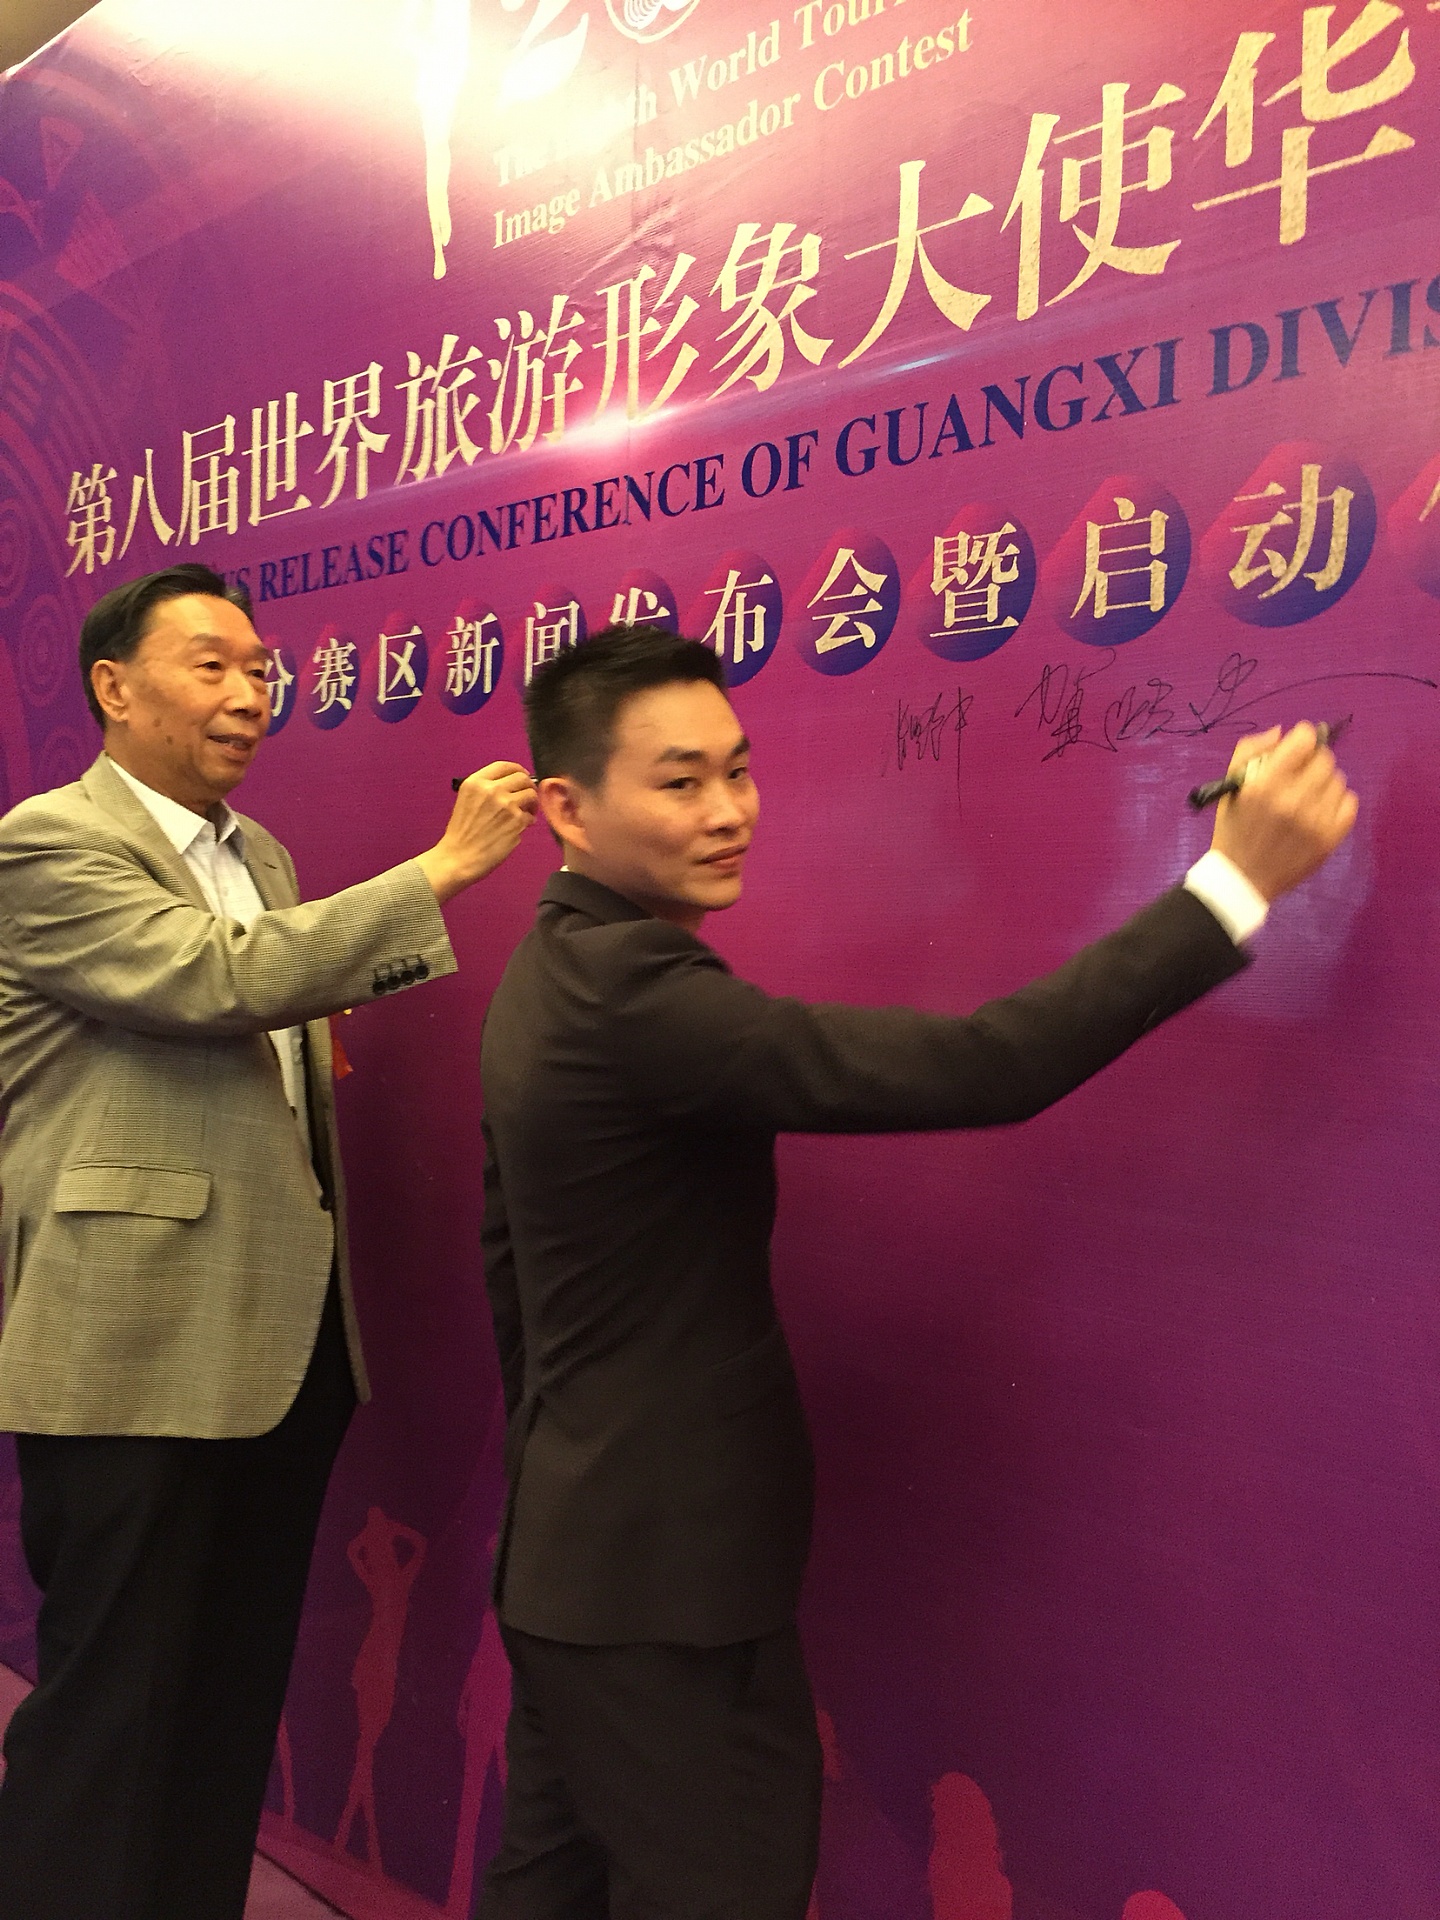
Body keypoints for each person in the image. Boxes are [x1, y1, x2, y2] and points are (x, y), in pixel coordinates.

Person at [474, 623, 1357, 1920]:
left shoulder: (554, 967)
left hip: (583, 1569)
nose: (728, 812)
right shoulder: (628, 992)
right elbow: (987, 1065)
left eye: (739, 769)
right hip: (662, 1598)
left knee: (549, 1892)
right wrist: (1230, 885)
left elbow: (513, 1275)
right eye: (680, 782)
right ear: (566, 806)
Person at [0, 562, 537, 1920]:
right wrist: (441, 870)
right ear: (115, 688)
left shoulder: (265, 858)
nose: (251, 694)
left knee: (227, 1691)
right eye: (213, 666)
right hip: (131, 1338)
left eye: (260, 669)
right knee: (113, 1702)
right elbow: (217, 979)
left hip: (279, 1338)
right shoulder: (48, 842)